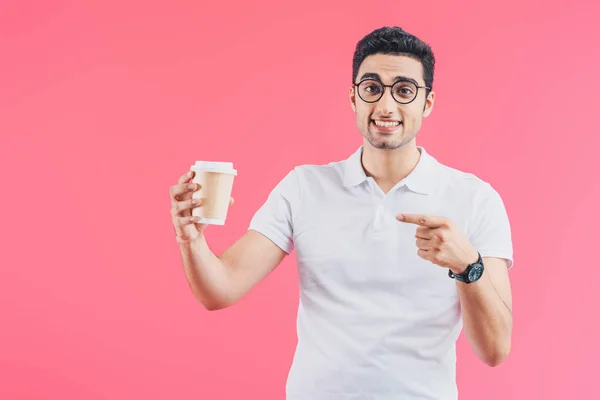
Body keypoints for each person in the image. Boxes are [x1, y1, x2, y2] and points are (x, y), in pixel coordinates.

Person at [169, 26, 514, 400]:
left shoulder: (475, 199)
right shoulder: (303, 188)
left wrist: (468, 265)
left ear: (427, 103)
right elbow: (220, 290)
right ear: (353, 98)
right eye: (371, 88)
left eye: (404, 91)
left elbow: (495, 350)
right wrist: (191, 239)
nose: (385, 106)